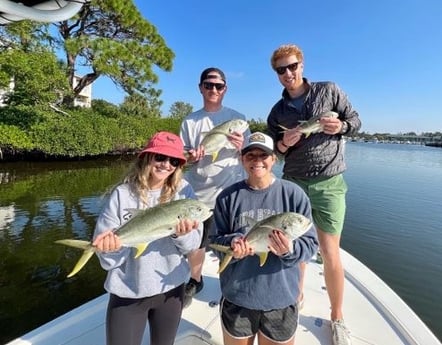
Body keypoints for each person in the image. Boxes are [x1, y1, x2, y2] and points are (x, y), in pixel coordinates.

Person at [266, 43, 362, 345]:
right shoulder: (278, 111)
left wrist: (341, 126)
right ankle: (296, 296)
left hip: (330, 182)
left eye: (292, 66)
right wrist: (285, 143)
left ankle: (337, 317)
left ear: (302, 65)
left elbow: (356, 122)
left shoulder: (329, 90)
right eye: (281, 70)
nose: (288, 73)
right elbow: (274, 151)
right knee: (296, 248)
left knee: (330, 250)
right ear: (276, 74)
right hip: (294, 181)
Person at [91, 131, 203, 345]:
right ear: (147, 158)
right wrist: (110, 248)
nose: (165, 165)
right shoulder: (122, 195)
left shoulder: (184, 193)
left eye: (173, 160)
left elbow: (193, 245)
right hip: (128, 292)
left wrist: (181, 235)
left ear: (179, 165)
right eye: (160, 157)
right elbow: (107, 262)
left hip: (171, 289)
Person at [210, 132, 318, 345]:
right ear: (242, 159)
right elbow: (215, 241)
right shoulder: (227, 197)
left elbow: (311, 243)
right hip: (238, 296)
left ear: (274, 159)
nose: (257, 160)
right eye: (251, 155)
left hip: (281, 298)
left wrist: (289, 250)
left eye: (264, 155)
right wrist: (232, 245)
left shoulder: (294, 195)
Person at [180, 67, 250, 307]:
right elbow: (182, 156)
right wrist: (191, 156)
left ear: (225, 89)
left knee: (234, 242)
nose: (213, 89)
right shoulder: (190, 121)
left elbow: (252, 158)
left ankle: (231, 287)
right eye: (208, 85)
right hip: (199, 193)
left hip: (232, 192)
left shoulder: (238, 119)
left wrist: (242, 146)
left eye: (218, 86)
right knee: (198, 241)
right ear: (200, 88)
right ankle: (195, 280)